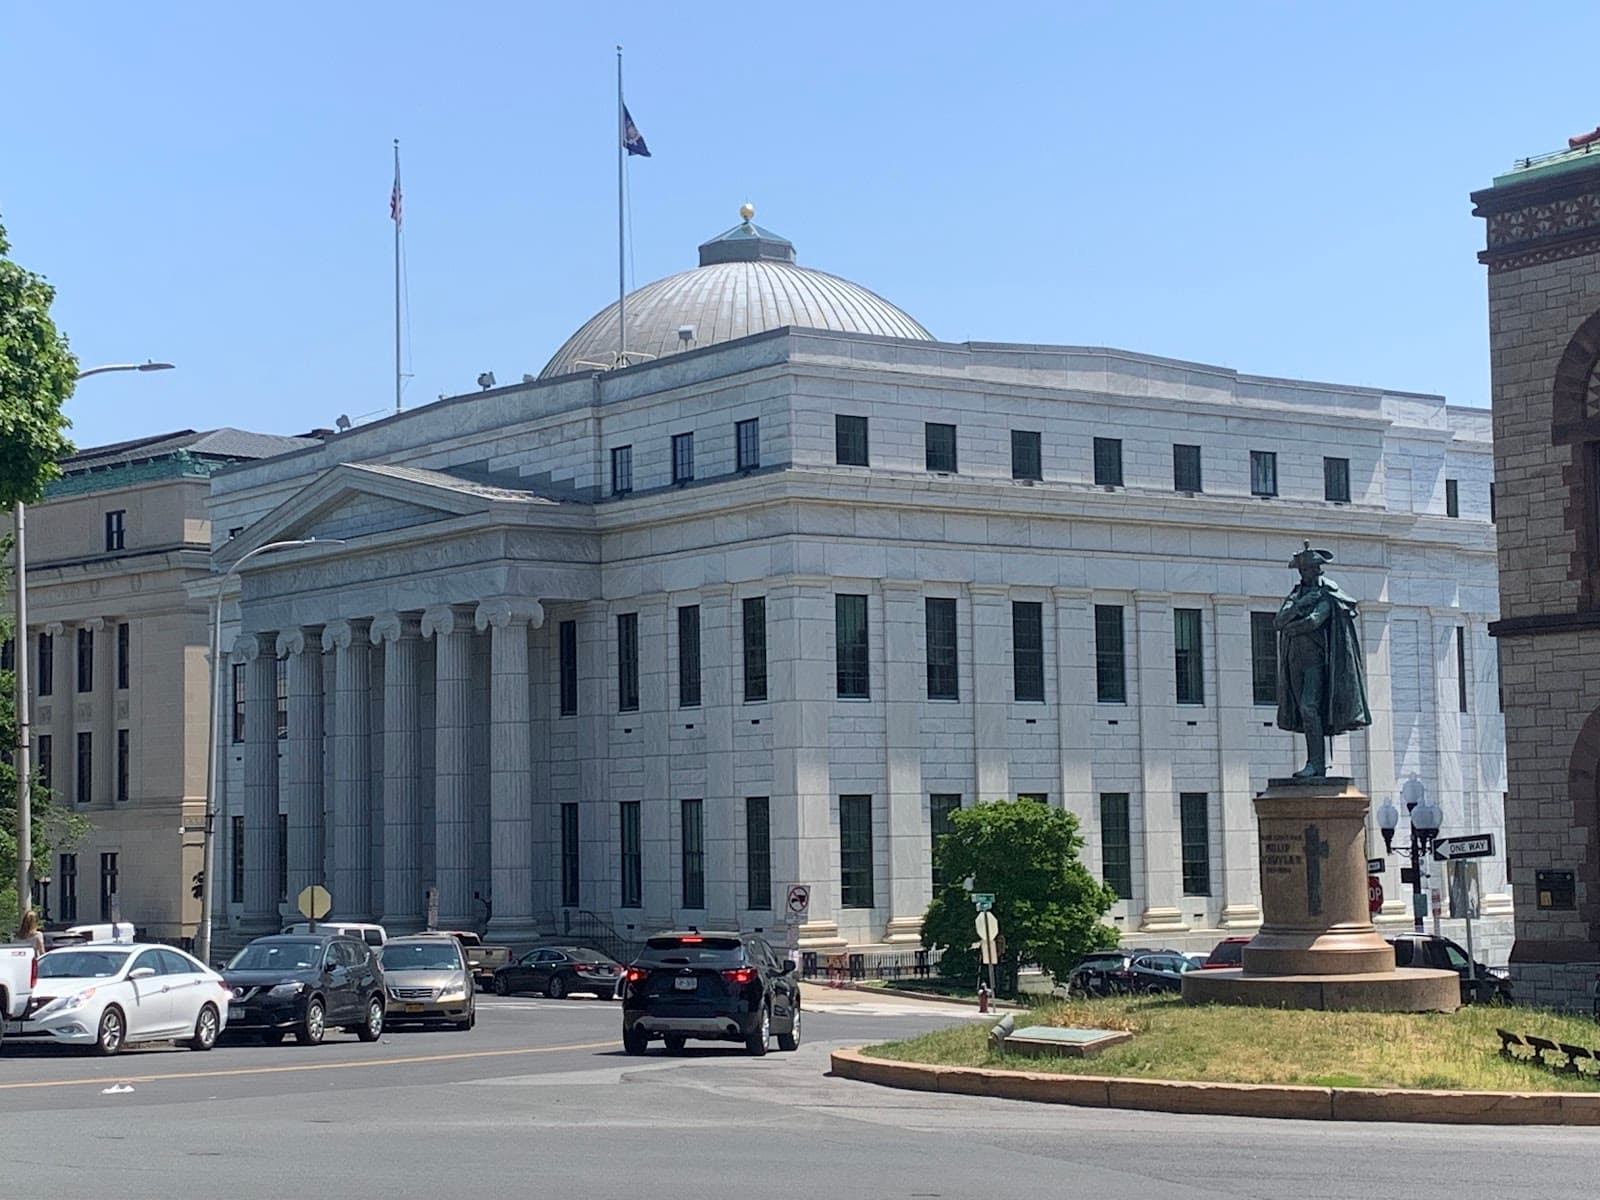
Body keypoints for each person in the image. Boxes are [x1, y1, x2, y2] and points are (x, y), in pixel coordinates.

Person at [1274, 541, 1371, 778]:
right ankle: (1314, 763)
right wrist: (1299, 606)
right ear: (1302, 572)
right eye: (1309, 569)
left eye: (1316, 569)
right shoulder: (1297, 595)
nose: (1314, 573)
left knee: (1309, 707)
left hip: (1317, 662)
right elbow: (1277, 622)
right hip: (1295, 661)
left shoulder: (1327, 594)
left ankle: (1316, 763)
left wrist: (1292, 625)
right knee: (1304, 712)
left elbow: (1314, 621)